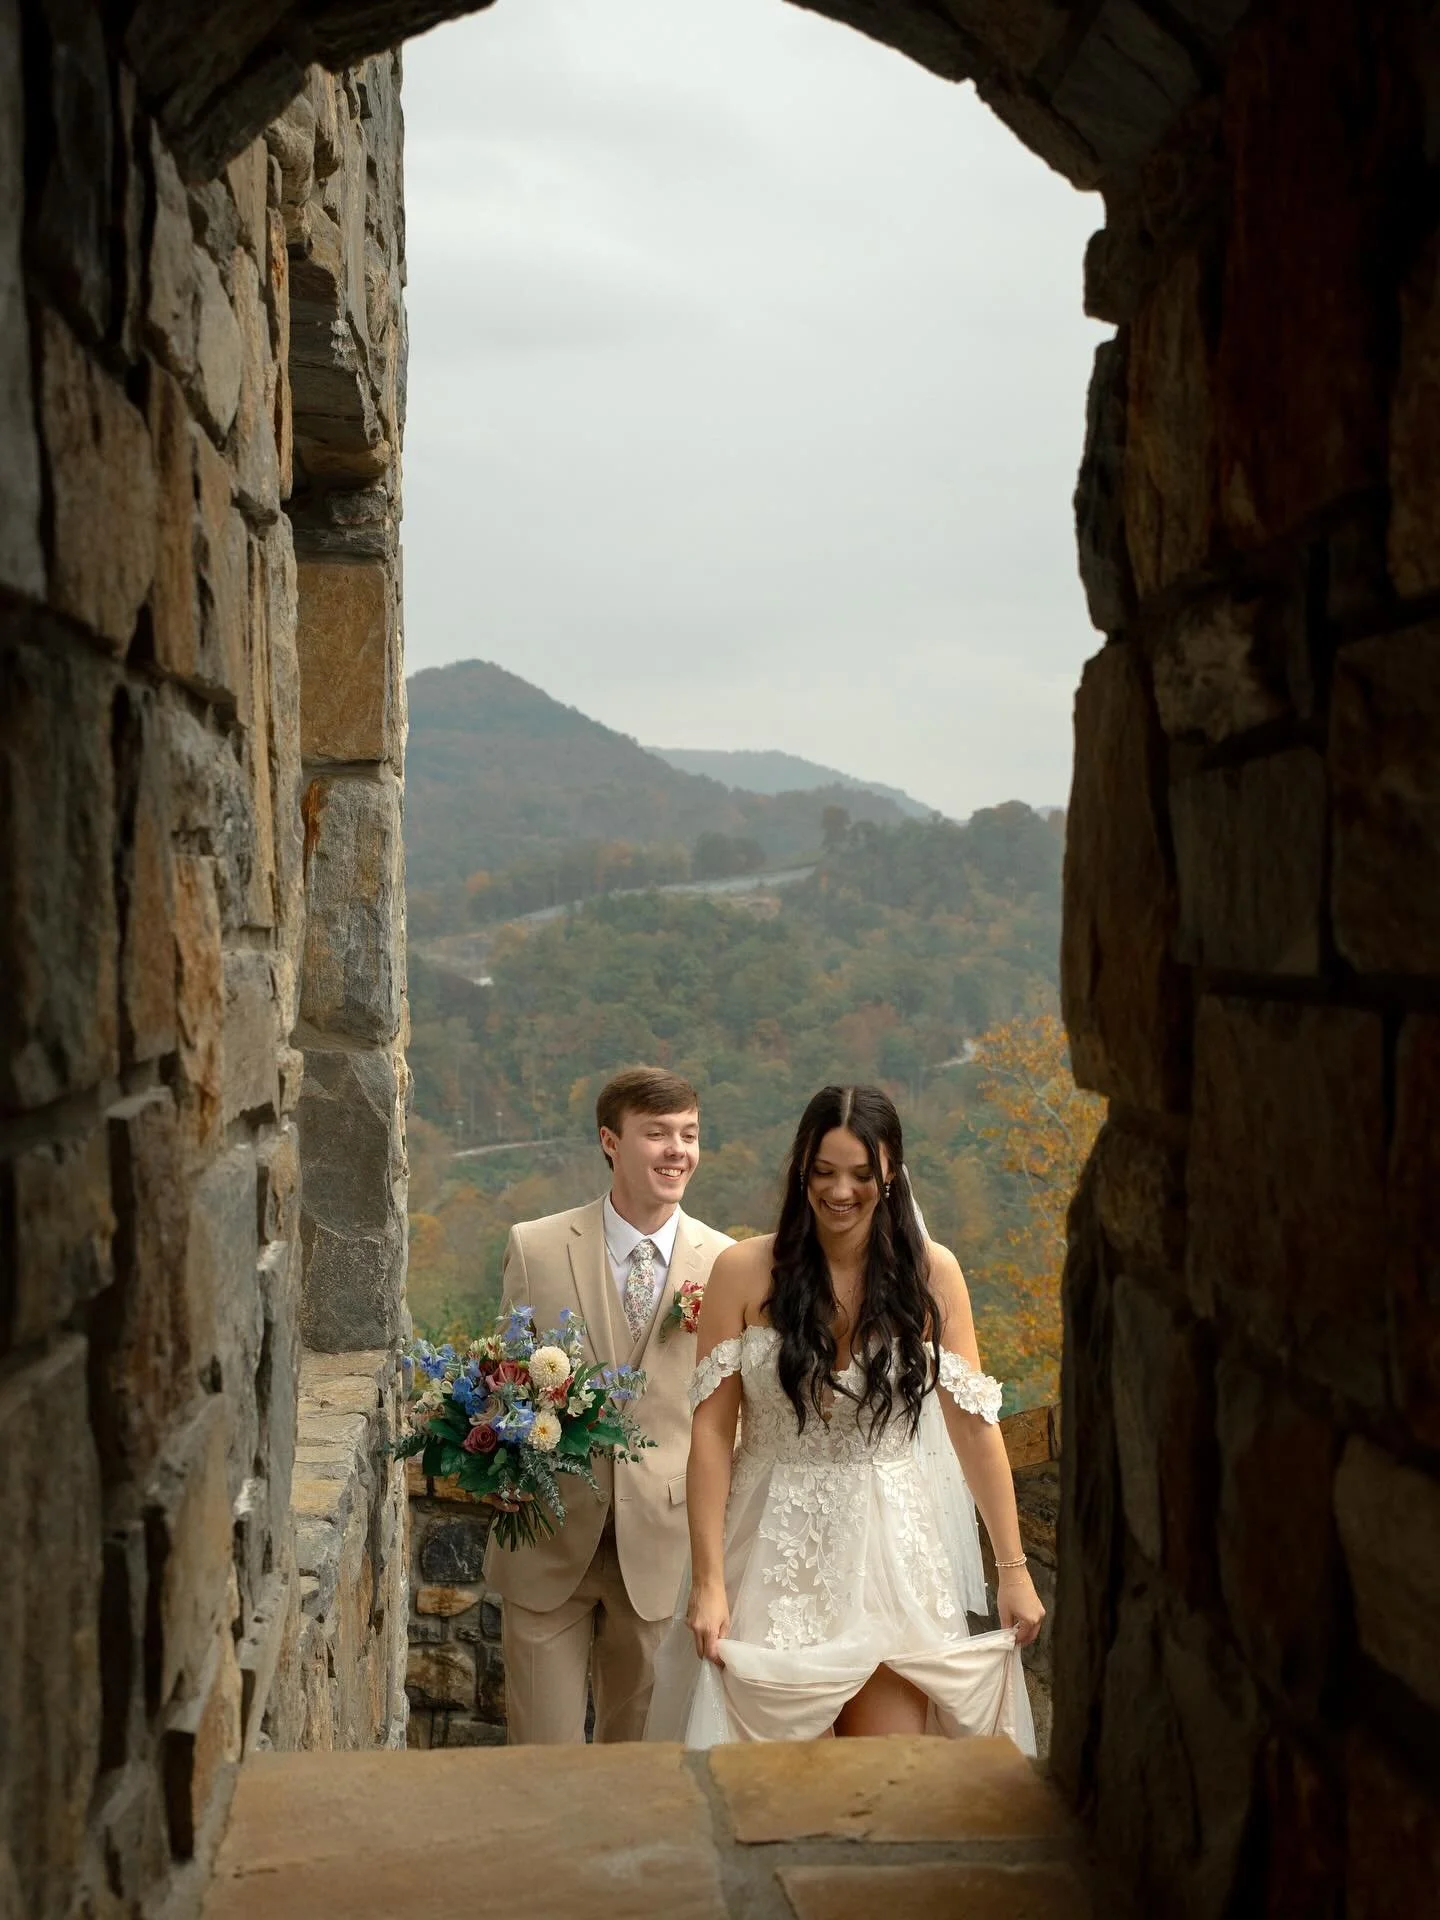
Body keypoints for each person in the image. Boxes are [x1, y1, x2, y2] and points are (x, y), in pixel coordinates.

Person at [645, 1083, 1045, 1747]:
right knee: (769, 1791)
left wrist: (1014, 1569)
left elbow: (973, 1427)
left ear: (891, 1174)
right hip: (770, 1549)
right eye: (824, 1172)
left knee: (887, 1780)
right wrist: (710, 1583)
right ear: (802, 1170)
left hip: (891, 1553)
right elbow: (713, 1435)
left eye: (861, 1174)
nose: (840, 1191)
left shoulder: (932, 1275)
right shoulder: (743, 1271)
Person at [482, 1066, 733, 1744]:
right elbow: (505, 1380)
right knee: (543, 1766)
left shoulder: (728, 1264)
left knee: (641, 1772)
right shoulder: (535, 1247)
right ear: (610, 1142)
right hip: (548, 1540)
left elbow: (732, 1415)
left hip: (664, 1549)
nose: (677, 1150)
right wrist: (502, 1465)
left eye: (689, 1134)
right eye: (656, 1134)